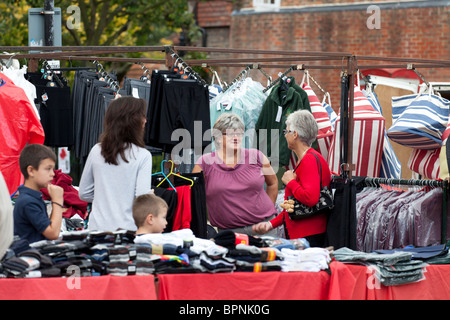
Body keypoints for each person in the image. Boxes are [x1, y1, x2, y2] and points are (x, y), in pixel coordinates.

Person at [253, 110, 331, 247]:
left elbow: (310, 198)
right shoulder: (307, 159)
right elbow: (295, 206)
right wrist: (270, 224)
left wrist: (291, 182)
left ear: (295, 134)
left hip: (308, 235)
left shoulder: (309, 160)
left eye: (286, 131)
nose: (285, 135)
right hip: (305, 233)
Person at [192, 113, 278, 236]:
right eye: (231, 134)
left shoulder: (257, 156)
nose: (236, 137)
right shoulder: (204, 163)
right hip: (229, 233)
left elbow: (273, 183)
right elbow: (193, 195)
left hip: (263, 227)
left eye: (239, 133)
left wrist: (268, 211)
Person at [79, 96, 153, 232]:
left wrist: (106, 196)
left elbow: (84, 193)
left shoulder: (97, 150)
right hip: (128, 231)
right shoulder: (143, 155)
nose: (145, 120)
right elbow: (141, 199)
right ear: (133, 121)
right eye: (142, 116)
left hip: (97, 230)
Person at [13, 144, 64, 243]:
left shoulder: (32, 197)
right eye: (48, 169)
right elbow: (53, 233)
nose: (53, 174)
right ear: (31, 171)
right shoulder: (28, 202)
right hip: (29, 256)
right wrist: (57, 201)